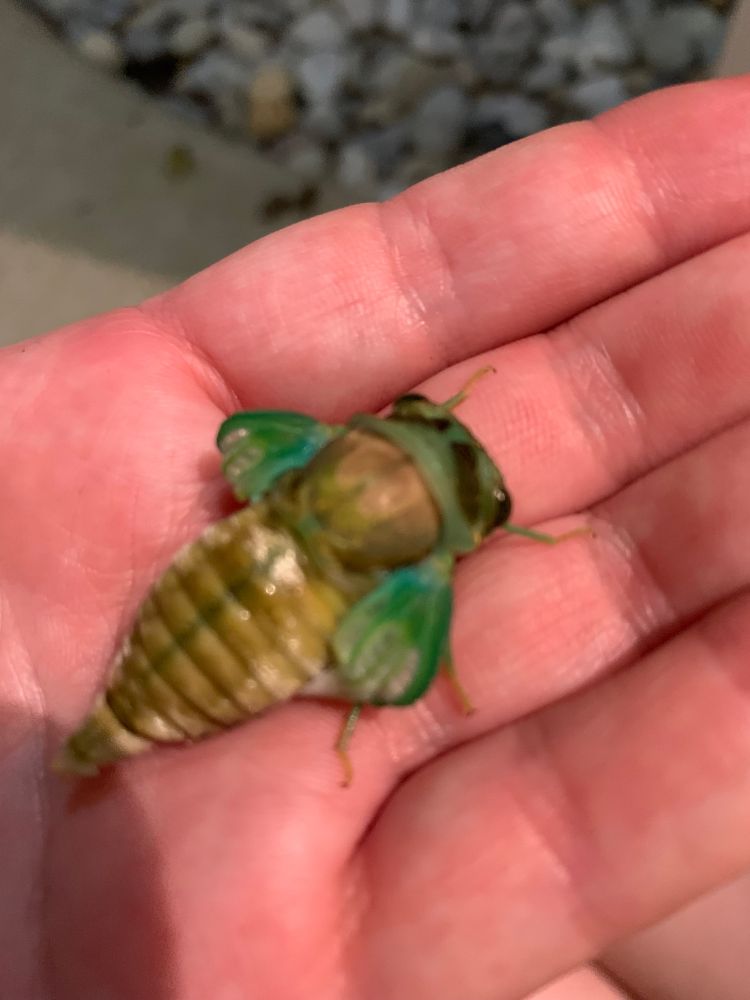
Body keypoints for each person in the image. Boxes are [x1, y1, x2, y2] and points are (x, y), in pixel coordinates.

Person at [2, 74, 750, 1000]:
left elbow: (244, 445)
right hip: (278, 615)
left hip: (243, 561)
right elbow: (390, 671)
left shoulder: (318, 449)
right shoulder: (426, 578)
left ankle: (126, 718)